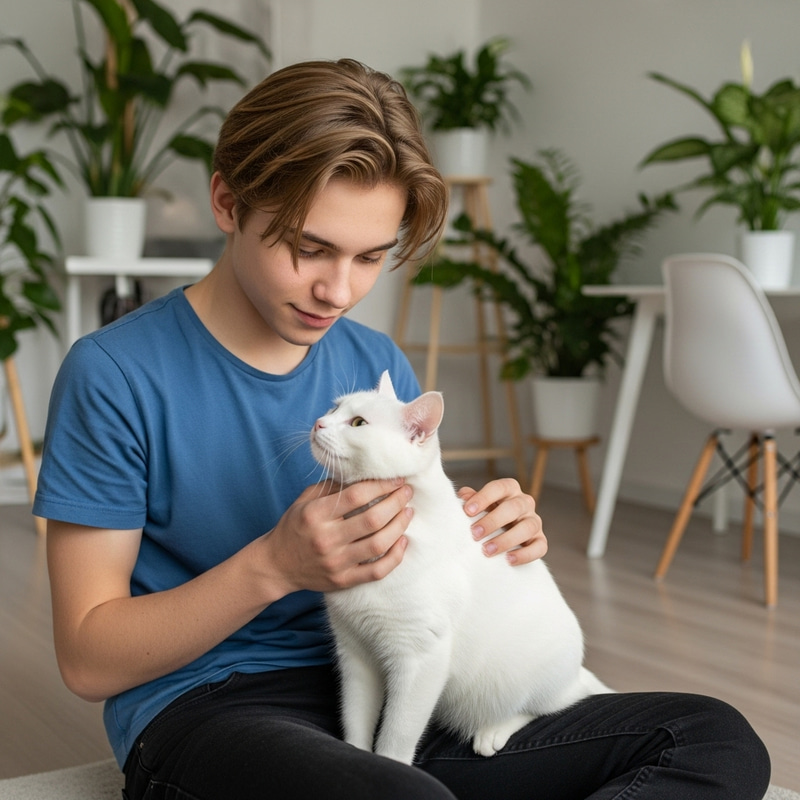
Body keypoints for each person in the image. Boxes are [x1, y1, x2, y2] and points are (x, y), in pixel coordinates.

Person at [35, 58, 770, 800]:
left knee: (712, 739)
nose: (339, 291)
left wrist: (491, 537)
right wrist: (274, 566)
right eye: (309, 248)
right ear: (228, 201)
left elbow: (431, 570)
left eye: (371, 257)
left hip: (403, 686)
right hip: (214, 712)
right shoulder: (115, 373)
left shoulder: (373, 362)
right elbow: (89, 660)